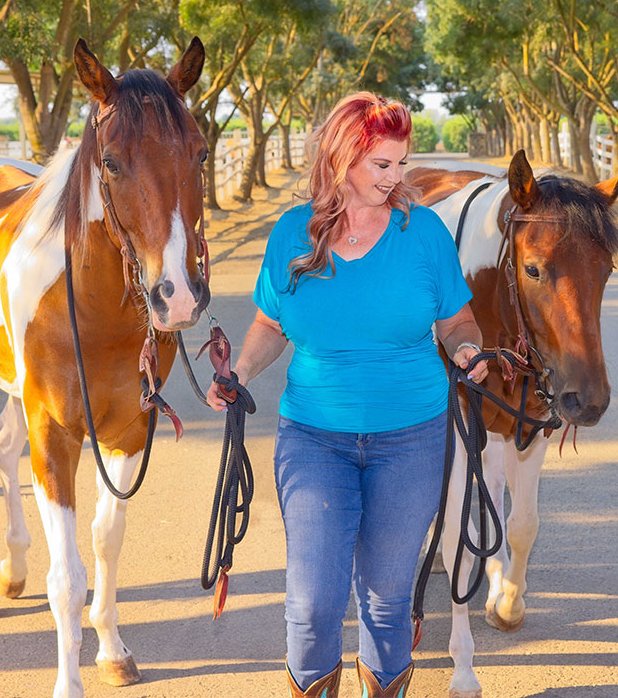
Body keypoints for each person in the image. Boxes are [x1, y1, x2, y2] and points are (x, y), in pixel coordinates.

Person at [205, 92, 488, 698]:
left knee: (387, 602)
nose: (396, 178)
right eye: (381, 165)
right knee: (312, 604)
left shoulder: (425, 234)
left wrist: (467, 350)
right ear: (341, 160)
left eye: (401, 164)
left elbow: (457, 321)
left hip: (411, 437)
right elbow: (268, 325)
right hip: (313, 438)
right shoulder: (291, 235)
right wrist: (242, 373)